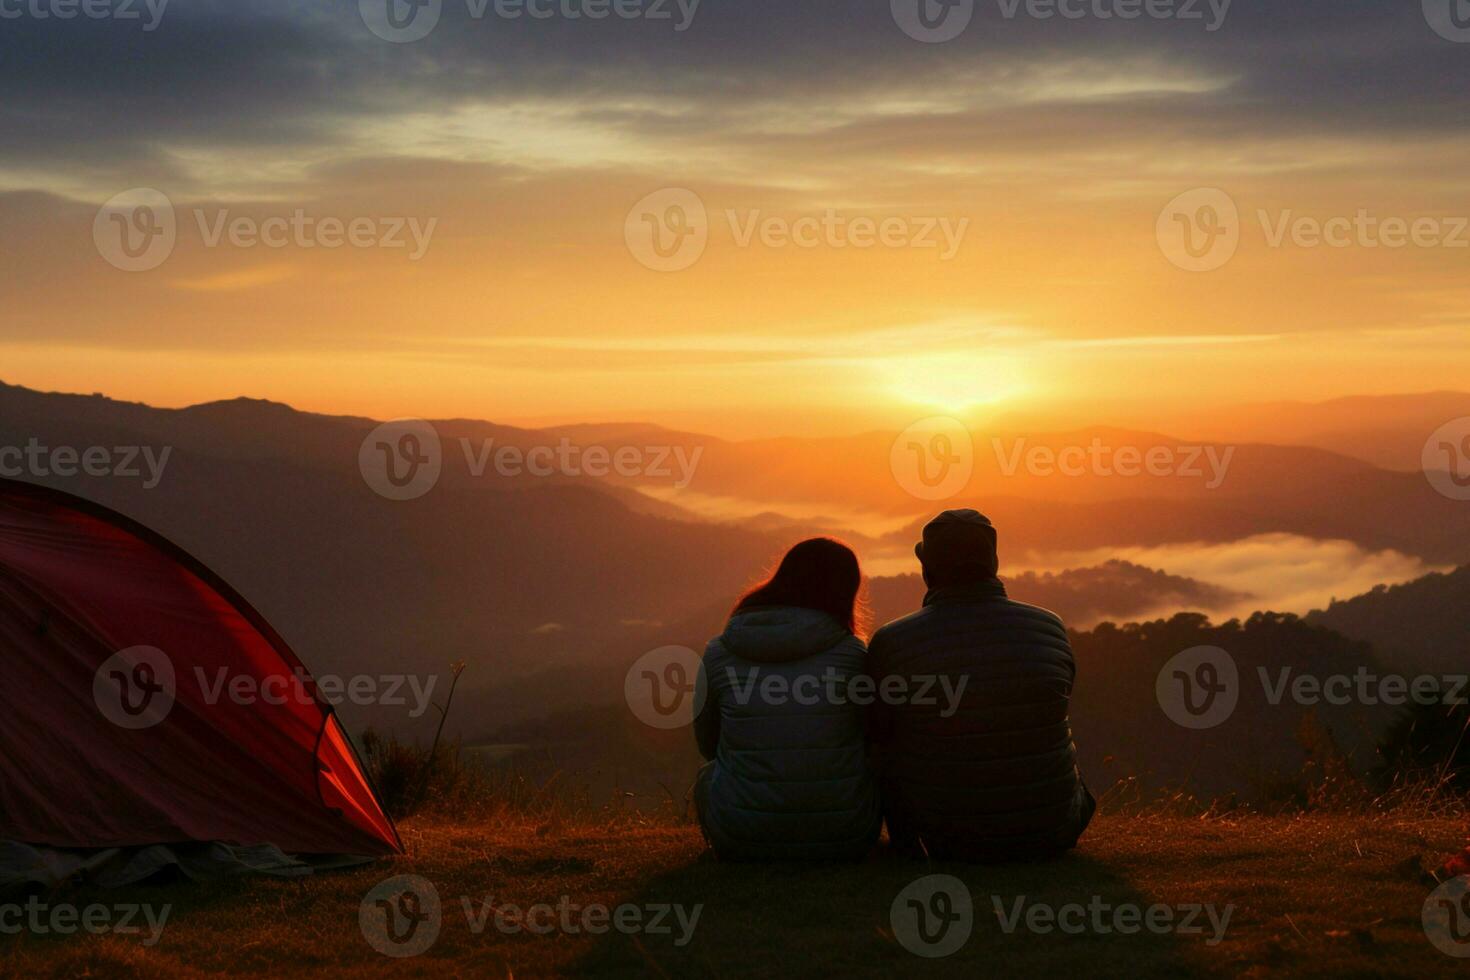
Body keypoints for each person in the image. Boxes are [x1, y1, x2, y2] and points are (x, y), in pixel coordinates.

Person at [867, 509, 1094, 861]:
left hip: (942, 838)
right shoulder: (1048, 627)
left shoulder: (893, 642)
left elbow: (879, 735)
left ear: (928, 569)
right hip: (1053, 829)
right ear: (994, 562)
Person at [692, 538, 880, 861]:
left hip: (740, 837)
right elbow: (872, 738)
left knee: (708, 775)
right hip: (846, 835)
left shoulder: (719, 654)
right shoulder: (852, 655)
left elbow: (709, 744)